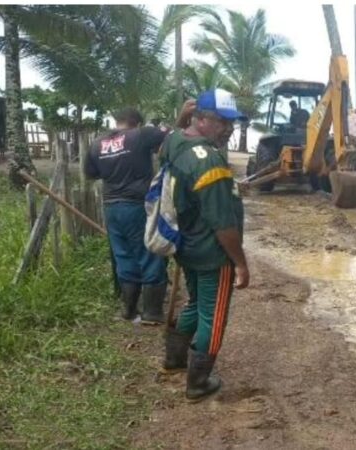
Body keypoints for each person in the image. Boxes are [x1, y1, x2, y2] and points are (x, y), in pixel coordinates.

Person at [159, 89, 250, 402]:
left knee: (197, 304)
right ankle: (198, 382)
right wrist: (239, 262)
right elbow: (223, 224)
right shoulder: (209, 162)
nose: (227, 129)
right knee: (214, 314)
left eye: (230, 123)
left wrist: (181, 119)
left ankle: (174, 359)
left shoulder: (176, 141)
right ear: (200, 119)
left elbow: (166, 144)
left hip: (187, 245)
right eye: (221, 122)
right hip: (212, 252)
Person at [85, 107, 188, 324]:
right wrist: (182, 117)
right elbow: (173, 138)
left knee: (123, 255)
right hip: (137, 206)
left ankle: (129, 310)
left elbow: (90, 174)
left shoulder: (97, 143)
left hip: (111, 207)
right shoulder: (142, 134)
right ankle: (151, 312)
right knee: (150, 253)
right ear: (137, 122)